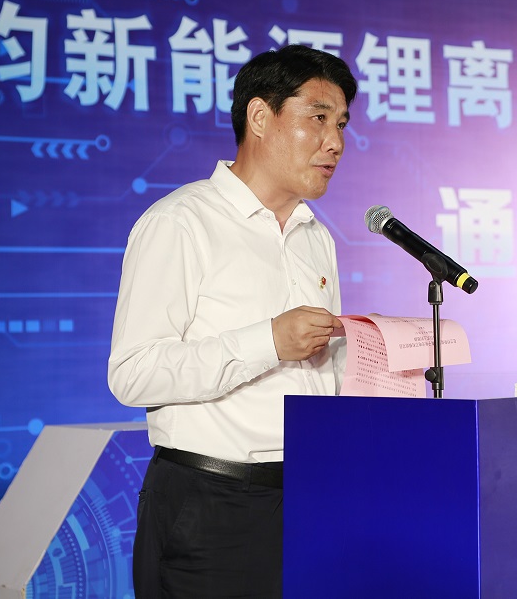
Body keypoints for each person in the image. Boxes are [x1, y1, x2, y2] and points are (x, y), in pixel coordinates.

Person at [108, 44, 357, 598]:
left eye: (341, 124)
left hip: (309, 497)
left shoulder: (315, 236)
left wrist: (373, 353)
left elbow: (317, 372)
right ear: (260, 117)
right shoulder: (181, 222)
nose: (336, 142)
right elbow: (133, 373)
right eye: (318, 118)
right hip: (211, 504)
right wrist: (269, 340)